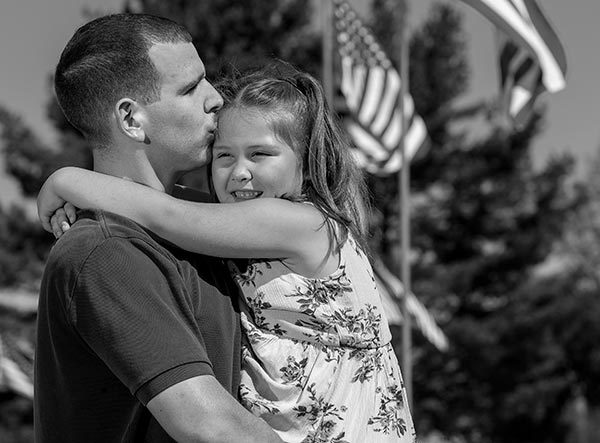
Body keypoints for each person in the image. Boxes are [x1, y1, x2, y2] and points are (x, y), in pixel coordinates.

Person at [38, 63, 416, 442]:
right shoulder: (244, 223)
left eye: (260, 154)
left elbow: (169, 215)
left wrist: (68, 180)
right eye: (224, 156)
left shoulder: (301, 223)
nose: (240, 172)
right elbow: (173, 209)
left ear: (306, 161)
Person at [34, 13, 283, 443]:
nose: (216, 99)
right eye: (190, 88)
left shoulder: (215, 223)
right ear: (131, 119)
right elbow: (211, 427)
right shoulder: (103, 253)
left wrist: (67, 179)